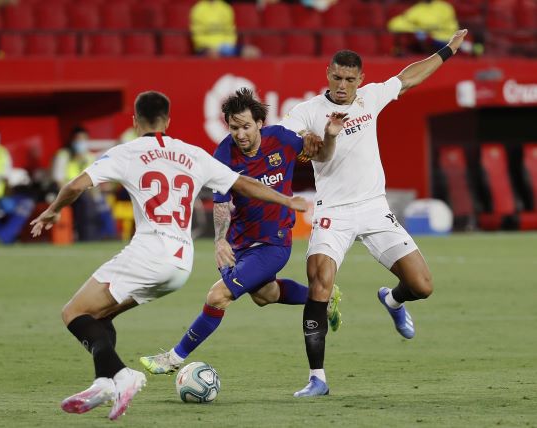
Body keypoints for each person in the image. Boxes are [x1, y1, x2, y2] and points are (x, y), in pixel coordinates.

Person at [29, 90, 308, 420]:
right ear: (169, 120)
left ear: (135, 122)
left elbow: (76, 186)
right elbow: (243, 183)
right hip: (180, 264)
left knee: (73, 313)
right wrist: (286, 200)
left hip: (147, 254)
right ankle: (104, 381)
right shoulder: (192, 153)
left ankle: (122, 375)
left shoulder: (127, 152)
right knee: (100, 316)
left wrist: (51, 211)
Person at [279, 29, 469, 397]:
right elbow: (304, 145)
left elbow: (410, 76)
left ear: (360, 80)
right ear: (328, 74)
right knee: (320, 284)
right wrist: (306, 139)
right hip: (333, 211)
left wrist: (447, 51)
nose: (343, 85)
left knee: (423, 286)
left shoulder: (371, 97)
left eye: (350, 79)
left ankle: (393, 299)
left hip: (373, 207)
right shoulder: (307, 111)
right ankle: (317, 378)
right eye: (337, 76)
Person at [139, 88, 348, 375]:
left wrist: (331, 136)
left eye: (246, 126)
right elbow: (221, 203)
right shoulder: (223, 153)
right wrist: (220, 240)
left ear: (260, 123)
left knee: (217, 296)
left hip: (274, 243)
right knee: (266, 295)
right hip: (241, 241)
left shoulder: (282, 139)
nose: (240, 134)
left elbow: (322, 155)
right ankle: (323, 298)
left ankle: (173, 358)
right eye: (234, 127)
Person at [51, 126, 116, 241]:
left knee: (102, 203)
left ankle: (110, 235)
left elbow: (96, 178)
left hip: (87, 191)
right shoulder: (63, 155)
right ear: (72, 141)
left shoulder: (89, 157)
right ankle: (87, 237)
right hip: (68, 192)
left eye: (83, 139)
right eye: (78, 140)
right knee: (86, 202)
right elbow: (58, 180)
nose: (81, 143)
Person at [190, 0, 260, 59]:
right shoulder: (197, 9)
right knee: (213, 55)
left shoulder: (226, 8)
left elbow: (230, 30)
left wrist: (228, 45)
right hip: (205, 47)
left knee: (251, 52)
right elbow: (197, 33)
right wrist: (209, 47)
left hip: (225, 46)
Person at [388, 0, 458, 53]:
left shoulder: (444, 7)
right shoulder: (417, 9)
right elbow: (395, 24)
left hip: (445, 39)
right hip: (427, 41)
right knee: (420, 34)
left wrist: (432, 29)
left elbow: (452, 26)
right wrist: (418, 28)